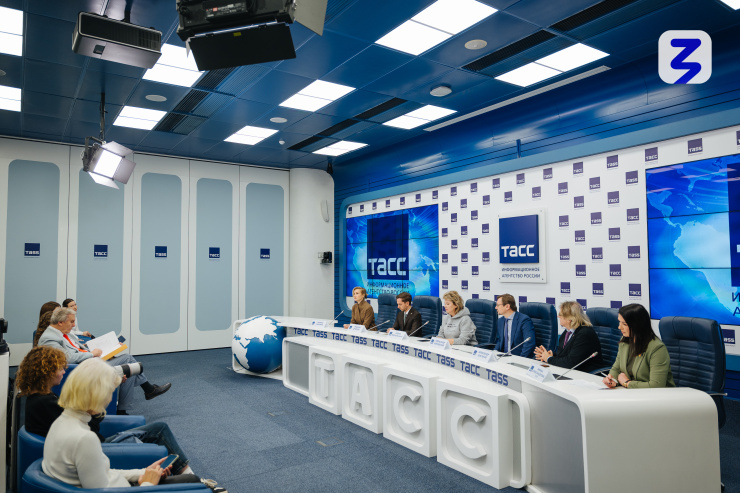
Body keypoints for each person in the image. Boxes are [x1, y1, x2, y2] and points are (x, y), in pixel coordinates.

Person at [16, 346, 200, 478]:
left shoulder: (38, 399)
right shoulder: (46, 403)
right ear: (47, 371)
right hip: (100, 446)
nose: (64, 371)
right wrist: (96, 407)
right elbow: (91, 431)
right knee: (160, 429)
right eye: (60, 368)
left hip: (92, 448)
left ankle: (189, 477)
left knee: (159, 428)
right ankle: (190, 477)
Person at [42, 358, 224, 490]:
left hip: (125, 484)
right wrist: (147, 483)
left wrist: (143, 473)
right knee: (191, 481)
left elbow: (103, 473)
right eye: (109, 392)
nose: (109, 399)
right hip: (131, 489)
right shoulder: (84, 439)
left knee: (190, 481)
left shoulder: (61, 423)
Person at [38, 307, 171, 414]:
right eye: (71, 322)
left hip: (90, 362)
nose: (73, 325)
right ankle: (144, 393)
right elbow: (69, 358)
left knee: (129, 367)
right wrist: (92, 354)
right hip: (83, 369)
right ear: (60, 322)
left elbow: (79, 348)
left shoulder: (63, 333)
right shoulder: (50, 338)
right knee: (129, 361)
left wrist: (109, 348)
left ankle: (130, 405)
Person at [602, 304, 676, 389]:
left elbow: (656, 385)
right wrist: (612, 379)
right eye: (619, 322)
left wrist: (627, 383)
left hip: (657, 395)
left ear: (637, 325)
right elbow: (616, 368)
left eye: (624, 324)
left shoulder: (657, 348)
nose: (619, 327)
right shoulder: (625, 341)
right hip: (632, 393)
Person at [534, 301, 603, 373]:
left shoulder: (585, 333)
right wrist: (551, 356)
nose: (558, 316)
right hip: (571, 371)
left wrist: (549, 359)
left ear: (569, 319)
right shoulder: (568, 331)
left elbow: (570, 363)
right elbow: (565, 355)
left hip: (586, 374)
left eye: (560, 314)